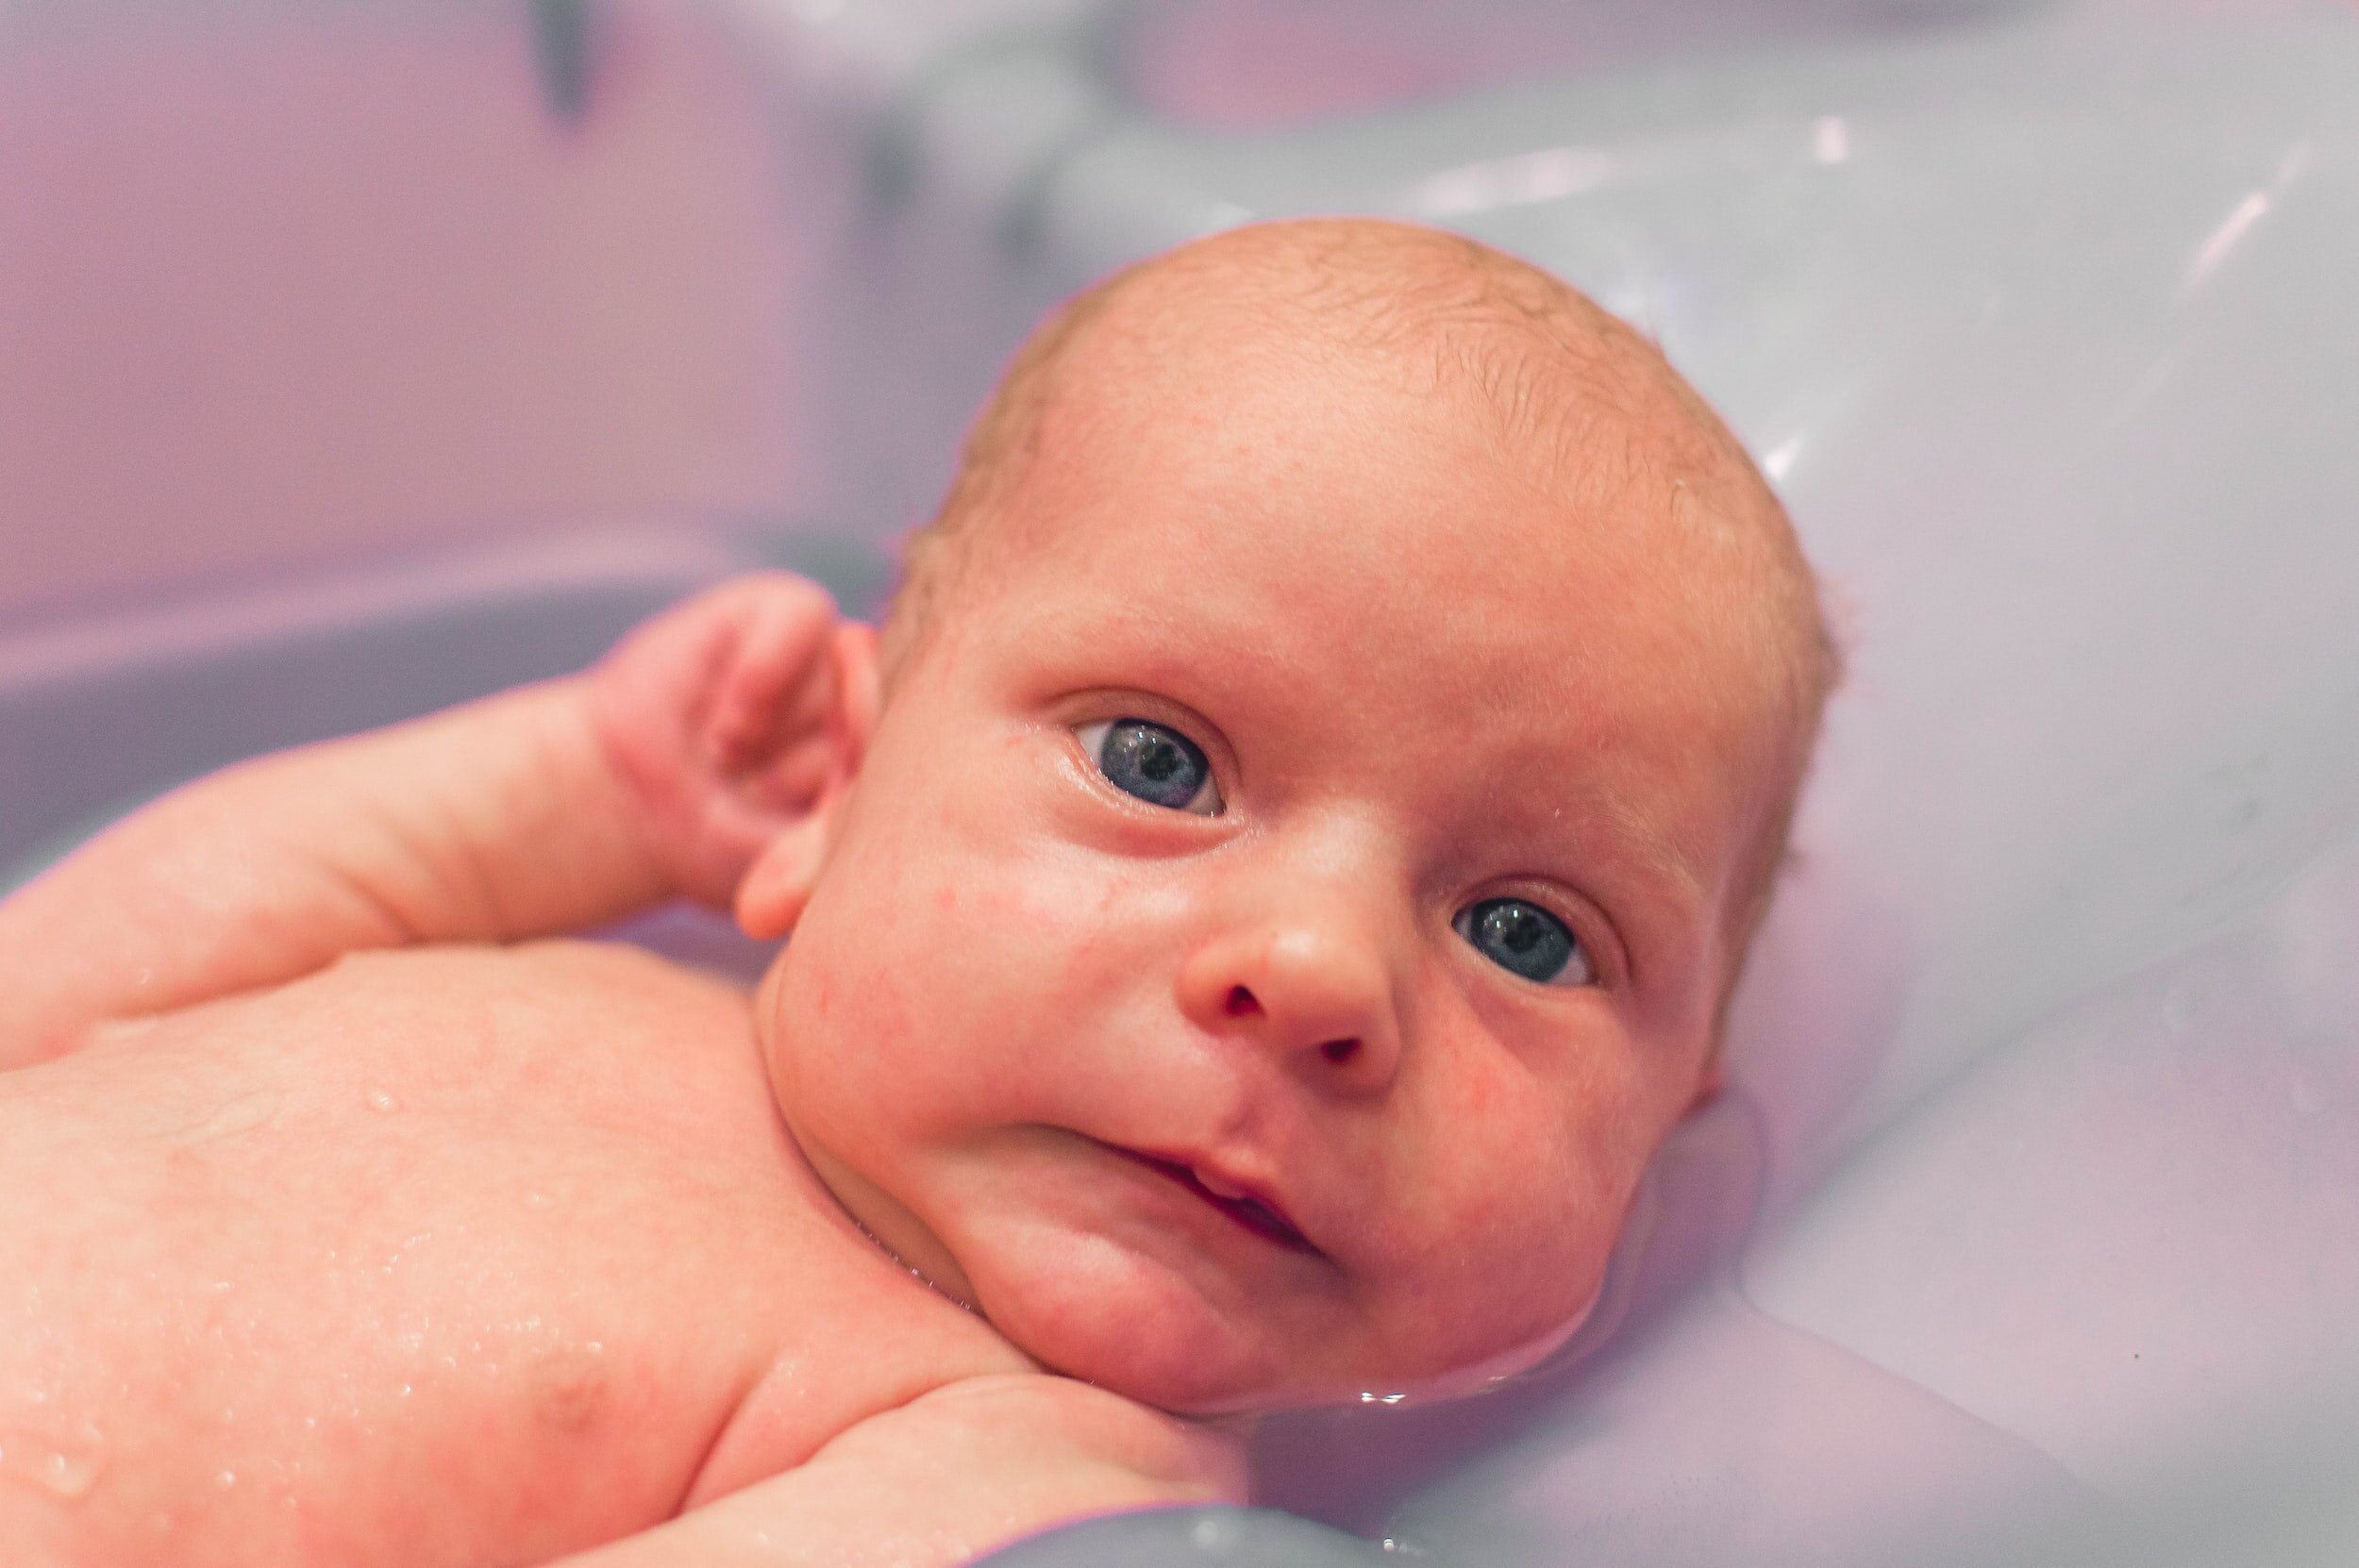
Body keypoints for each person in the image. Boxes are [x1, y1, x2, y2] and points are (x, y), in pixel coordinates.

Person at [0, 218, 1835, 1566]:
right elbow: (63, 984)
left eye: (1524, 932)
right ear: (837, 790)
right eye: (1156, 764)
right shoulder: (575, 984)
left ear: (1672, 1118)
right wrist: (572, 798)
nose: (1310, 966)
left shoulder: (1027, 1471)